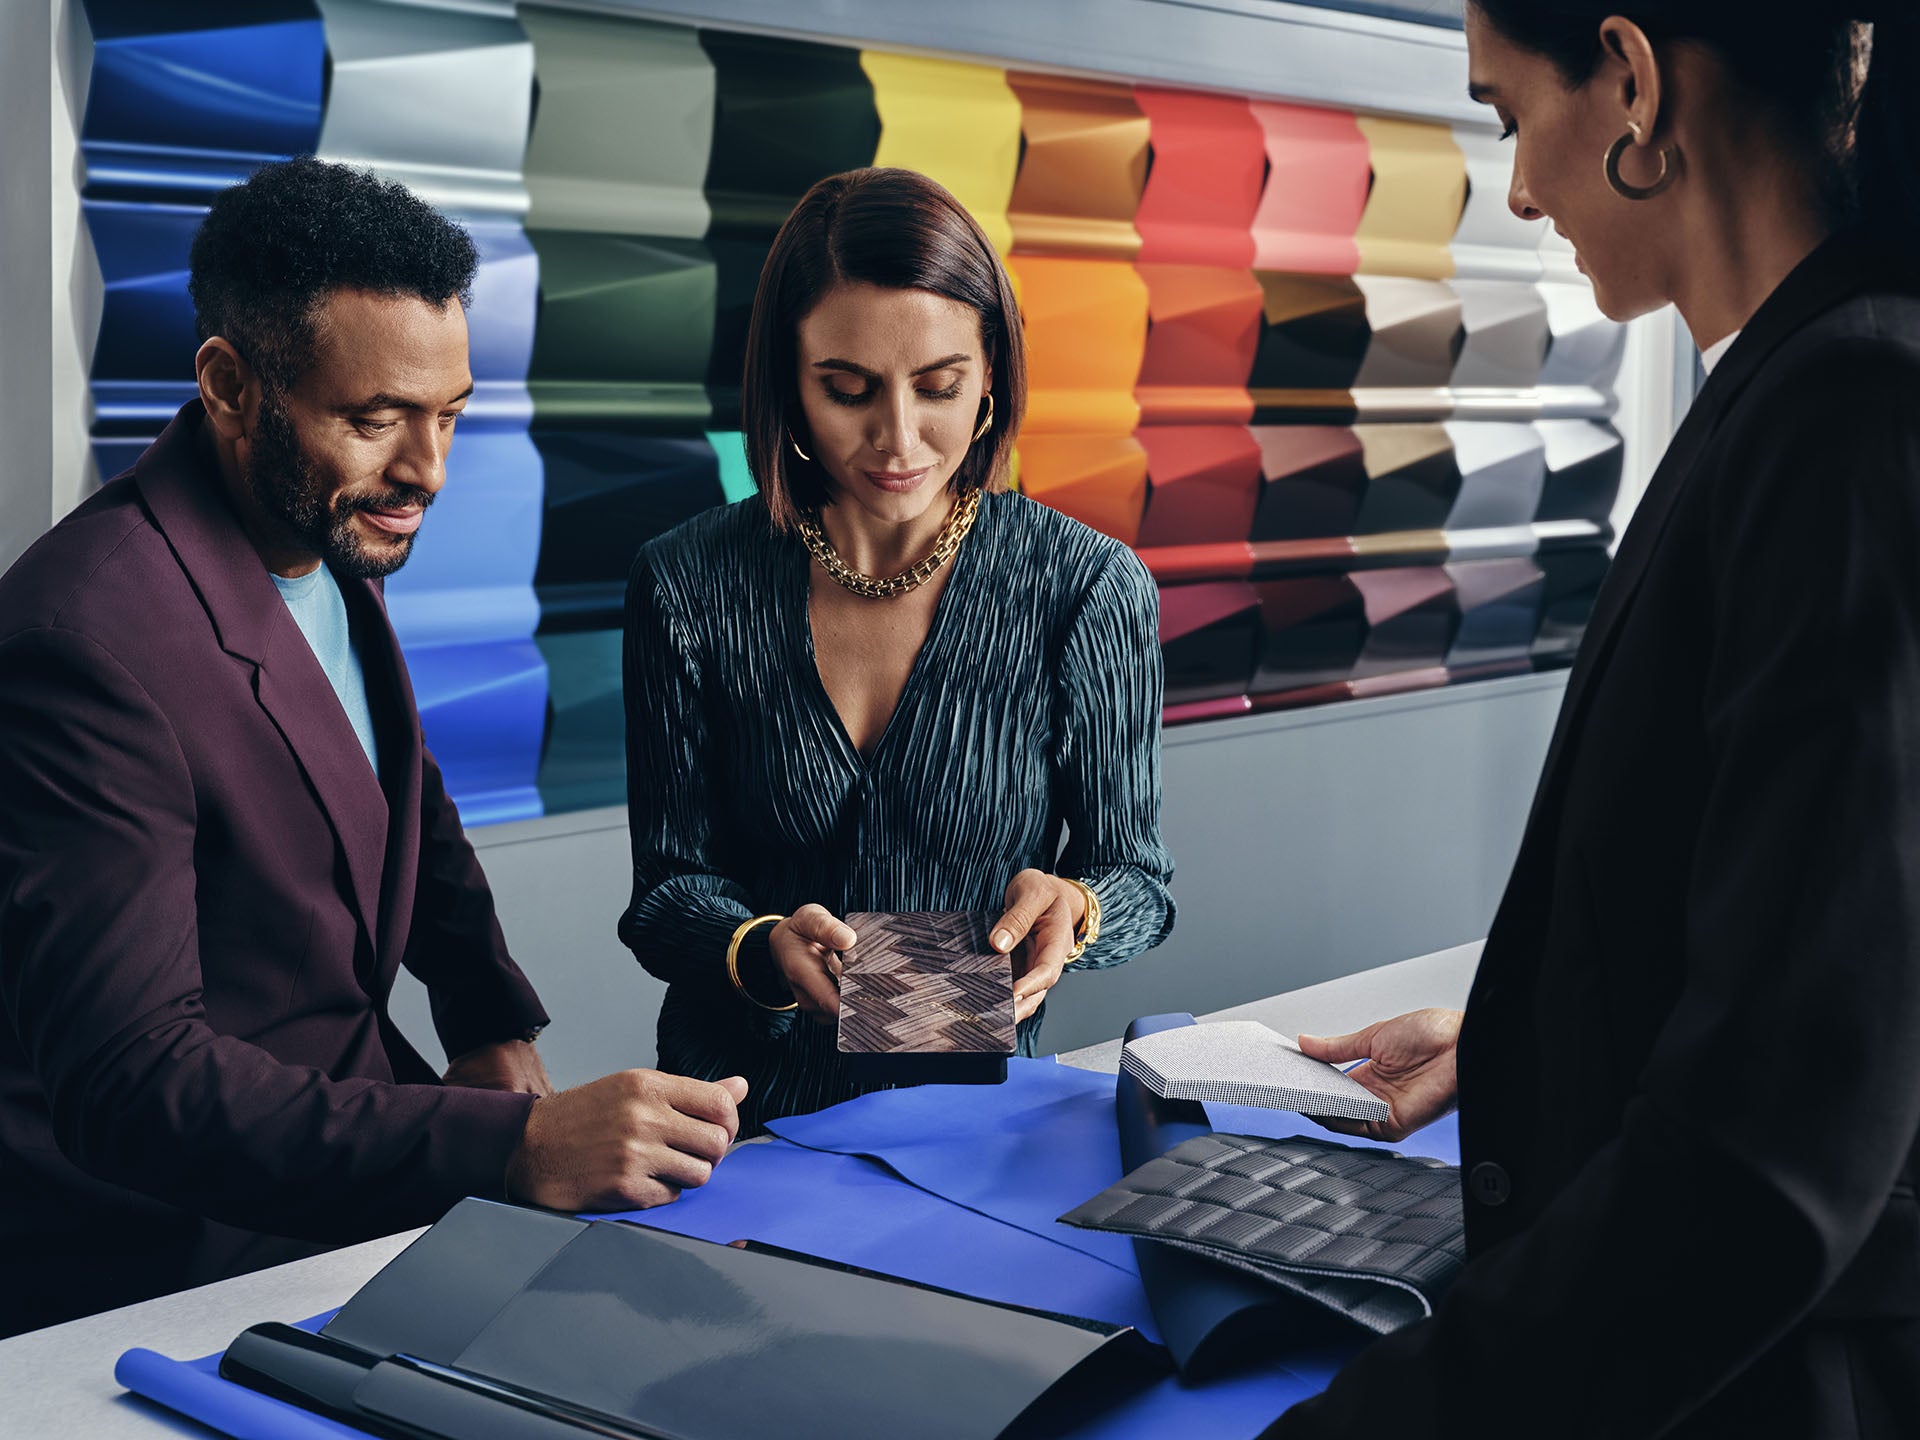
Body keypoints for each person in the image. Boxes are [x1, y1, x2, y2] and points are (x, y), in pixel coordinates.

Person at [1262, 5, 1920, 1436]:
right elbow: (1813, 933)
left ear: (1631, 84)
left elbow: (1777, 1147)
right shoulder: (1787, 390)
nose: (1515, 188)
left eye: (1507, 117)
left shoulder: (1851, 413)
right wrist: (1538, 1043)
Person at [0, 158, 748, 1338]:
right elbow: (131, 1085)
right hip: (162, 1259)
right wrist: (513, 1143)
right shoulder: (80, 639)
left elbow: (394, 783)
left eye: (447, 414)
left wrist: (484, 1008)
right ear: (230, 384)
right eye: (376, 419)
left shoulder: (318, 523)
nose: (428, 472)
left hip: (359, 1171)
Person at [620, 167, 1175, 1132]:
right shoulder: (687, 582)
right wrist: (757, 946)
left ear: (992, 372)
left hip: (974, 1120)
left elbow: (1140, 877)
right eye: (847, 390)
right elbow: (667, 892)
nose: (899, 439)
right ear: (789, 383)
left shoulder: (1086, 586)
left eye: (940, 386)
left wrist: (1074, 909)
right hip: (732, 1118)